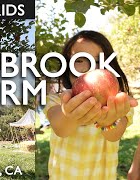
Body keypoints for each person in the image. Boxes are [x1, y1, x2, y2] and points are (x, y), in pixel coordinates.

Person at [43, 30, 138, 179]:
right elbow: (60, 128)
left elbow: (115, 134)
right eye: (80, 60)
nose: (91, 67)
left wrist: (108, 121)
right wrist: (70, 114)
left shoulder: (119, 101)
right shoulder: (57, 99)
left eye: (99, 61)